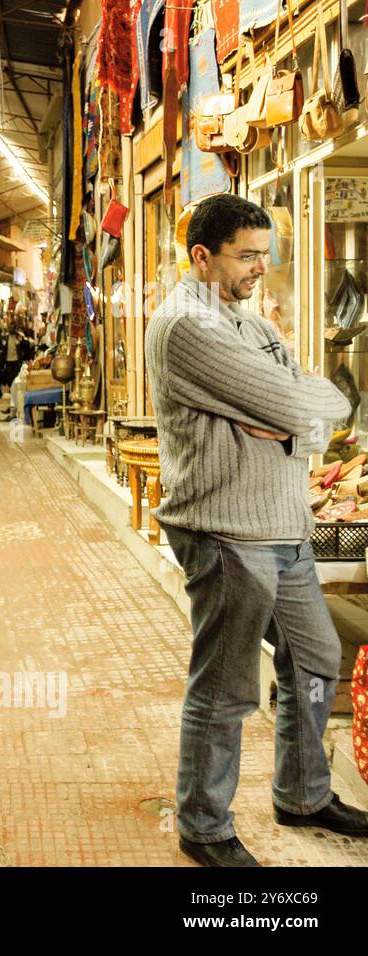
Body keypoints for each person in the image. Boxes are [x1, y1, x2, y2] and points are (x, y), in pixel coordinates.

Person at [145, 193, 368, 868]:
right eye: (247, 256)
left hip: (286, 525)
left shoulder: (248, 324)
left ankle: (302, 792)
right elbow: (298, 402)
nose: (259, 270)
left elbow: (326, 398)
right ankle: (204, 824)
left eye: (265, 256)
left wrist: (288, 416)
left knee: (317, 657)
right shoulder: (186, 326)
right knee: (227, 684)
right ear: (202, 256)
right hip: (225, 529)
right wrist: (291, 410)